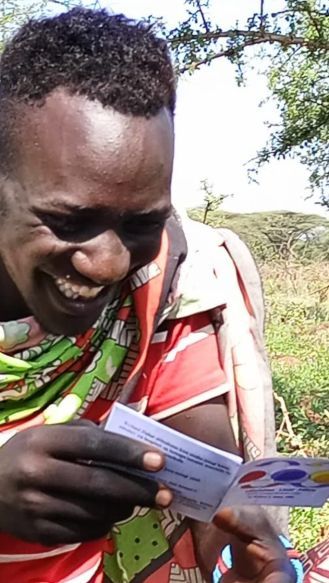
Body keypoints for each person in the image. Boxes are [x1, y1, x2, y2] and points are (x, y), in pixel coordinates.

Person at [0, 7, 303, 583]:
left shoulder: (164, 285)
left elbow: (208, 487)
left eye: (141, 223)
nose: (110, 262)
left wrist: (238, 563)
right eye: (69, 219)